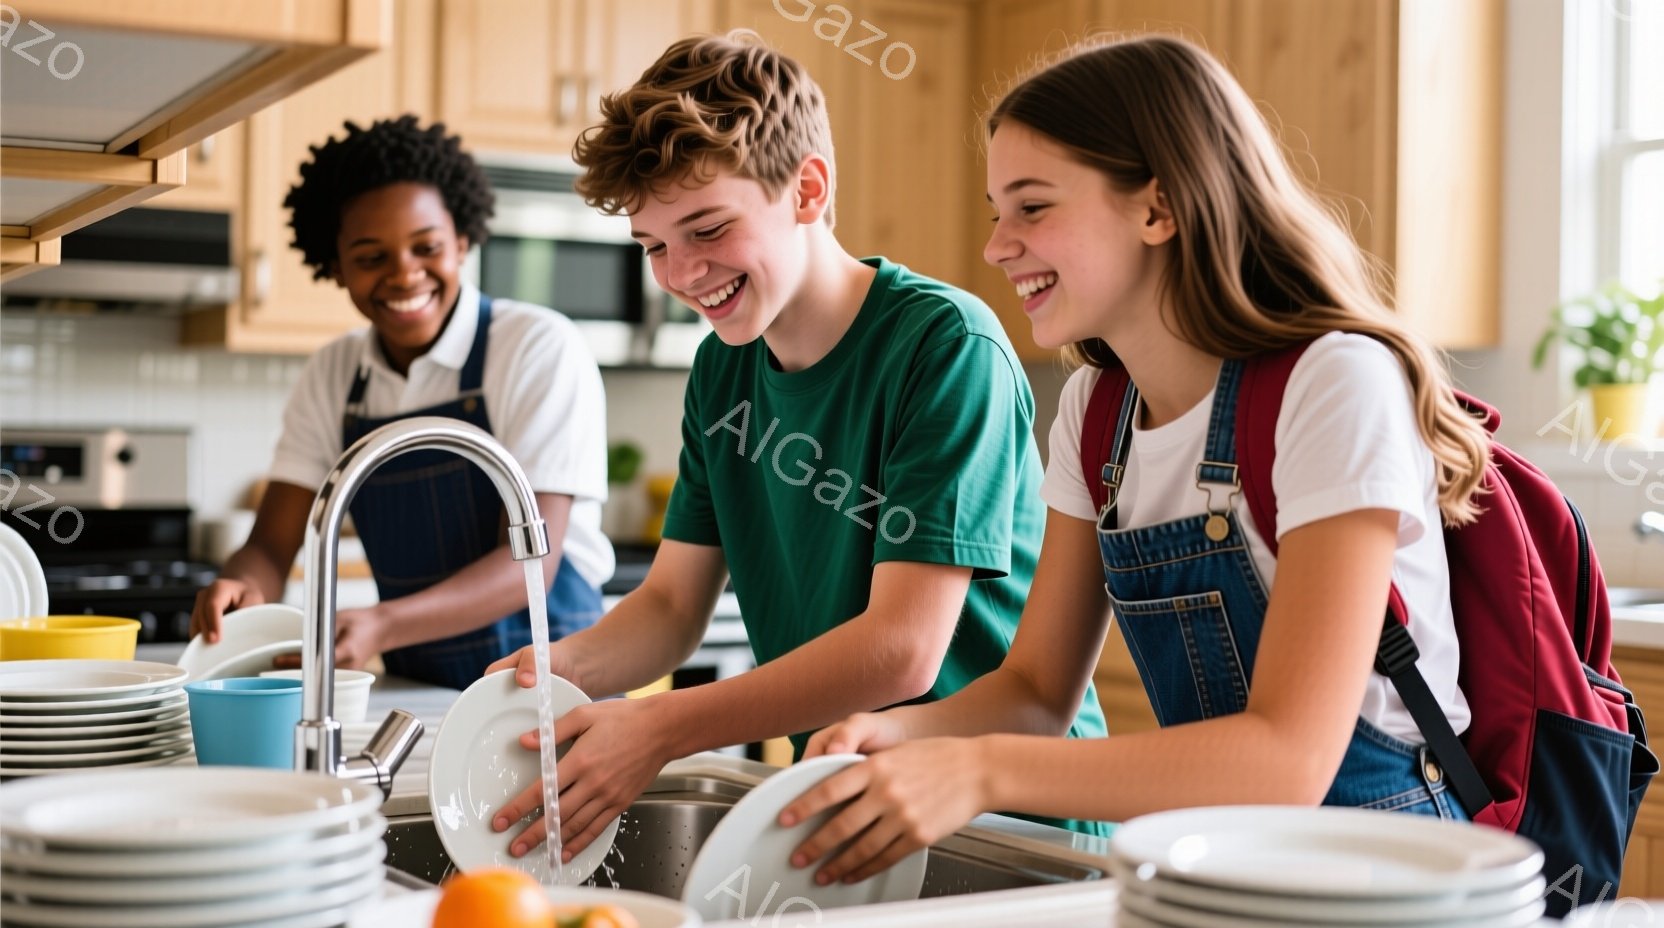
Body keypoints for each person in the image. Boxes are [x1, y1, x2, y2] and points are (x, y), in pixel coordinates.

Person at [777, 34, 1495, 886]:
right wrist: (899, 733)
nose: (997, 246)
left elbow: (1287, 761)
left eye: (1032, 208)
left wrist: (977, 773)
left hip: (1388, 866)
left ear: (1159, 208)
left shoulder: (1333, 384)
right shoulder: (1096, 413)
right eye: (996, 210)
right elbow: (1039, 691)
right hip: (1229, 863)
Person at [483, 31, 1110, 863]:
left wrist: (661, 727)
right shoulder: (720, 369)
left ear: (807, 189)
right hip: (848, 802)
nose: (679, 274)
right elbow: (671, 610)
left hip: (1014, 822)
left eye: (707, 229)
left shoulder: (944, 346)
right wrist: (543, 673)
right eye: (655, 246)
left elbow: (903, 651)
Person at [190, 115, 613, 691]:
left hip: (556, 683)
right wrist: (242, 586)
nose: (404, 274)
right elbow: (270, 545)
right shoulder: (333, 374)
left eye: (426, 247)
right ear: (334, 266)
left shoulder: (536, 347)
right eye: (371, 257)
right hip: (425, 686)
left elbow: (530, 564)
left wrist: (381, 626)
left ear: (461, 240)